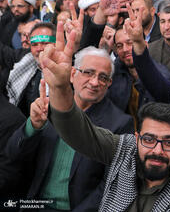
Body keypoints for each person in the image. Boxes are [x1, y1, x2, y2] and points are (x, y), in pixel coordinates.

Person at [37, 22, 170, 211]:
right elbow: (76, 130)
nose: (157, 150)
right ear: (137, 138)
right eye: (148, 139)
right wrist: (60, 87)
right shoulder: (125, 150)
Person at [6, 46, 134, 210]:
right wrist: (33, 126)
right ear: (72, 74)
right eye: (88, 72)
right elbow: (13, 155)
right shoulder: (48, 108)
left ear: (109, 84)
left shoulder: (120, 123)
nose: (95, 82)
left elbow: (111, 185)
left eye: (103, 78)